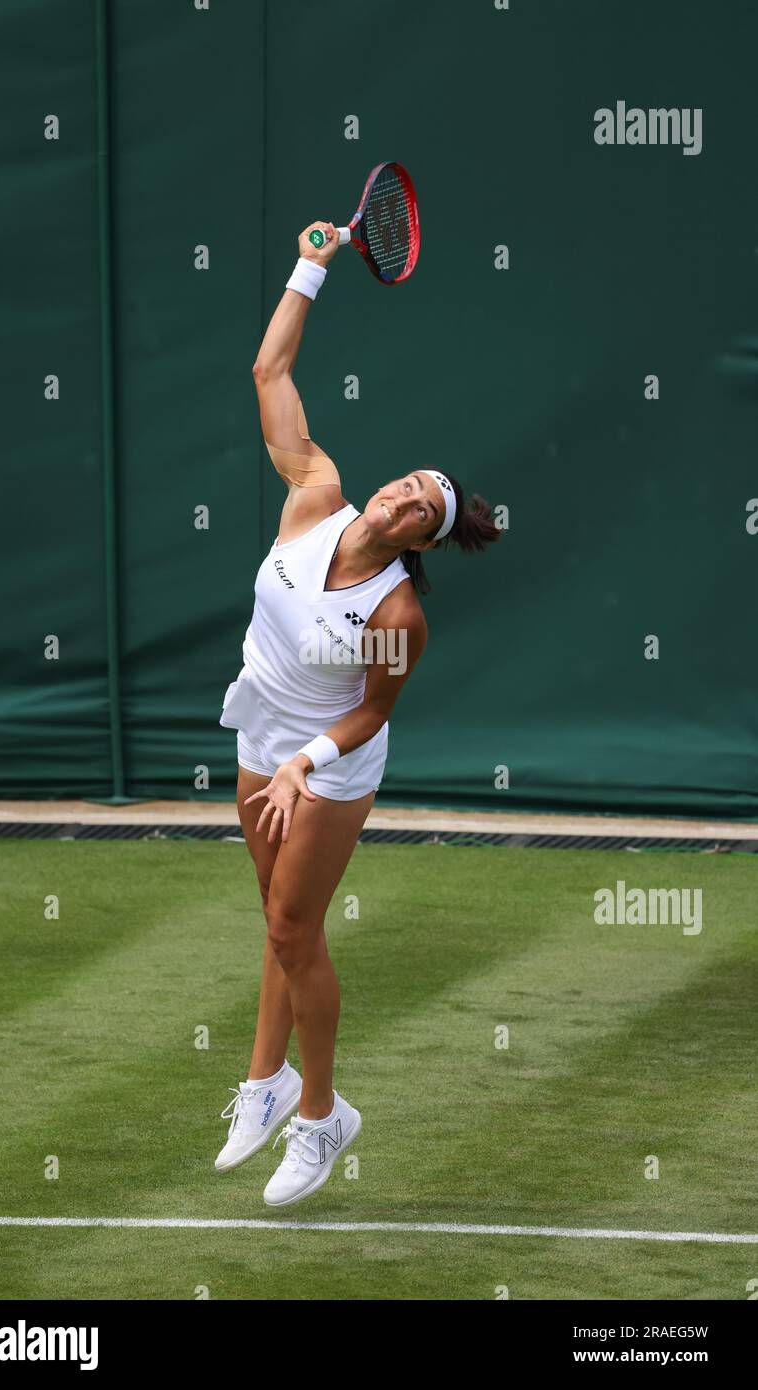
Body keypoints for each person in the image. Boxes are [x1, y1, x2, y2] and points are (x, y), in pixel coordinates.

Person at [214, 221, 501, 1207]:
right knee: (279, 922)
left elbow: (371, 714)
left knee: (296, 923)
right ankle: (262, 1081)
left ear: (420, 536)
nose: (400, 498)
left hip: (330, 763)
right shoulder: (314, 492)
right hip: (260, 725)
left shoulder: (395, 613)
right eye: (406, 482)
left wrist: (305, 762)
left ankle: (322, 1114)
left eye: (420, 506)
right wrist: (311, 264)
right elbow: (268, 369)